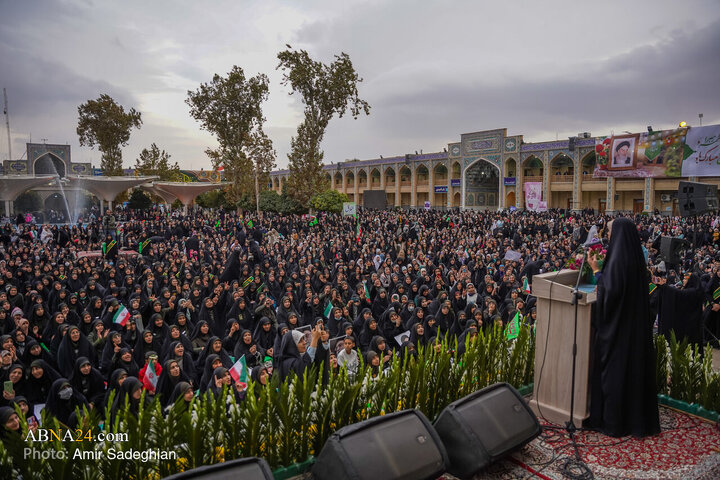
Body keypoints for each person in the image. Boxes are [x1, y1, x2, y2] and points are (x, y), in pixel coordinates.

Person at [585, 218, 660, 437]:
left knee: (615, 375)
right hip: (632, 329)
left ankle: (614, 422)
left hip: (617, 331)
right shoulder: (633, 256)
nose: (606, 234)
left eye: (608, 230)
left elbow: (609, 293)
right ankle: (632, 419)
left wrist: (597, 270)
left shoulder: (618, 259)